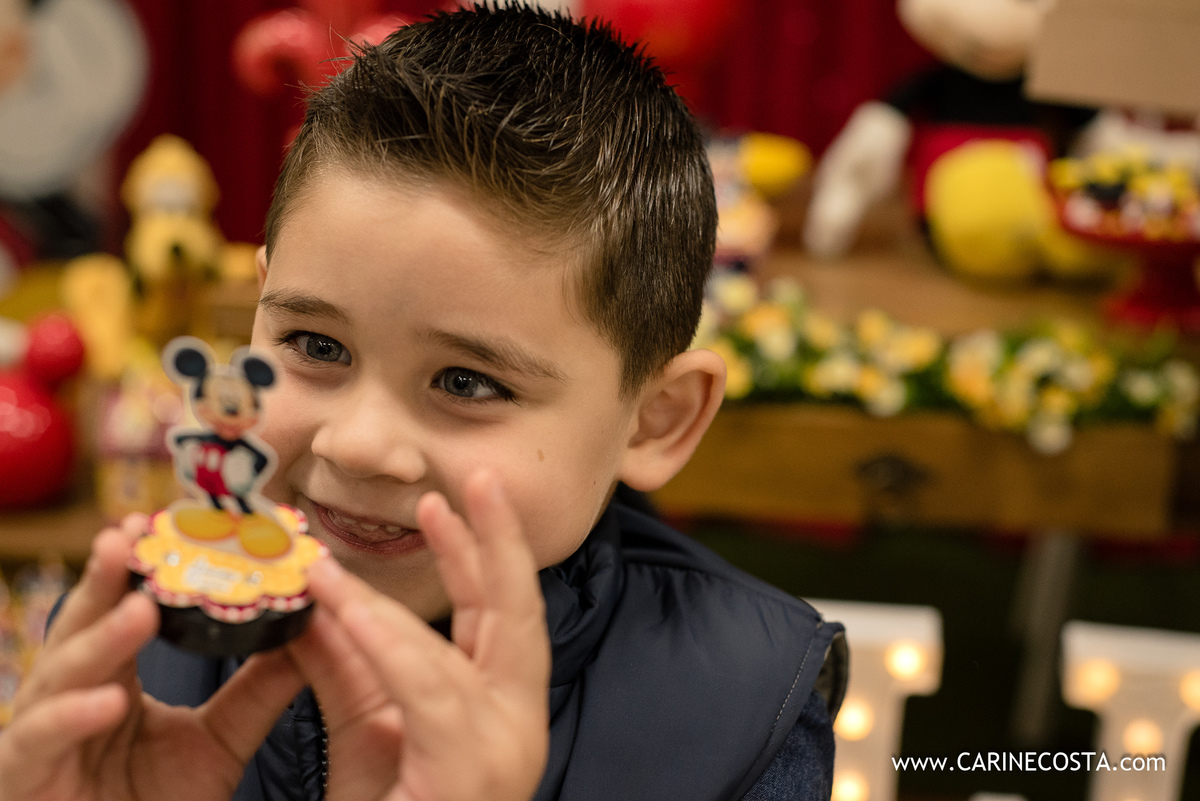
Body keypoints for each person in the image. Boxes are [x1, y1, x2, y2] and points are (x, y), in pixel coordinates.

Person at [0, 4, 846, 800]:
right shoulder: (124, 646)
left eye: (468, 381)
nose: (359, 444)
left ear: (657, 418)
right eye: (316, 345)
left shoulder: (749, 715)